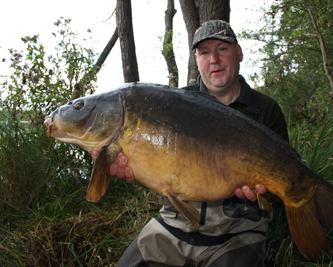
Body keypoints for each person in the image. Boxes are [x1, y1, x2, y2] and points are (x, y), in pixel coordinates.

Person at [92, 20, 289, 267]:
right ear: (196, 60)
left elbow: (280, 190)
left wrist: (262, 191)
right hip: (173, 227)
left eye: (222, 49)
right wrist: (128, 165)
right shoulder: (171, 103)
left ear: (238, 53)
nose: (214, 59)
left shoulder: (266, 110)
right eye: (204, 52)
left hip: (236, 235)